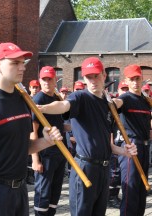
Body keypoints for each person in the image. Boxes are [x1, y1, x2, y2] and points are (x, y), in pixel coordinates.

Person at [0, 42, 63, 216]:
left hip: (21, 191)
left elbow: (23, 147)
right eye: (15, 63)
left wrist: (45, 142)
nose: (22, 67)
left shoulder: (22, 101)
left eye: (22, 62)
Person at [38, 57, 137, 216]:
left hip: (104, 169)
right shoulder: (80, 98)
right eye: (88, 77)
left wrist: (124, 151)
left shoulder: (107, 104)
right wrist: (41, 108)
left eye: (96, 75)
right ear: (83, 78)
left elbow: (109, 145)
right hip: (84, 167)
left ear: (104, 75)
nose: (92, 80)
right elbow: (63, 105)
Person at [113, 65, 152, 216]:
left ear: (142, 79)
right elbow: (115, 104)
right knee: (131, 191)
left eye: (137, 78)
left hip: (145, 147)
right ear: (126, 81)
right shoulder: (125, 98)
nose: (135, 82)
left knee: (142, 192)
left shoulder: (146, 101)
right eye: (132, 79)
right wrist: (110, 102)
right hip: (131, 147)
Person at [31, 66, 67, 216]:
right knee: (43, 193)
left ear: (55, 81)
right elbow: (33, 130)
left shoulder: (57, 98)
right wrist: (35, 160)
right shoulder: (38, 99)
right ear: (40, 81)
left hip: (60, 151)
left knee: (55, 191)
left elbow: (60, 124)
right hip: (46, 153)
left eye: (49, 79)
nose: (46, 82)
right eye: (44, 79)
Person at [108, 80, 129, 208]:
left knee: (120, 173)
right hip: (115, 142)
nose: (125, 92)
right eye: (123, 89)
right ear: (119, 91)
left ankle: (115, 195)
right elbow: (109, 126)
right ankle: (111, 197)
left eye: (127, 89)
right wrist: (111, 144)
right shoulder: (115, 106)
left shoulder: (129, 105)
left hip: (124, 144)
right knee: (114, 173)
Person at [26, 79, 41, 185]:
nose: (35, 89)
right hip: (27, 129)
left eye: (37, 87)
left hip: (36, 129)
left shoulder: (39, 100)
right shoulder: (27, 99)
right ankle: (28, 176)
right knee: (28, 155)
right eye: (33, 87)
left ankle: (31, 175)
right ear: (30, 88)